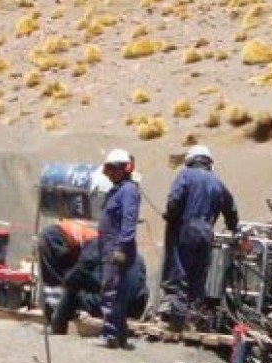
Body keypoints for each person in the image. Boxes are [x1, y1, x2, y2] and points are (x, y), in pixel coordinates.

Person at [160, 144, 238, 332]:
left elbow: (174, 201)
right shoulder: (217, 183)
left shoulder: (184, 175)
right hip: (206, 233)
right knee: (198, 275)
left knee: (180, 272)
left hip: (186, 229)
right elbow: (232, 210)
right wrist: (233, 227)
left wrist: (170, 216)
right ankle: (194, 318)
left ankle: (177, 320)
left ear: (190, 160)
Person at [97, 148, 143, 349]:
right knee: (116, 290)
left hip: (117, 248)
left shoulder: (128, 191)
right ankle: (118, 334)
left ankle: (110, 334)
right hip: (111, 247)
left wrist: (122, 248)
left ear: (124, 169)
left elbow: (129, 221)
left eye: (114, 170)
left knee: (112, 290)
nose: (110, 174)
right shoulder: (118, 190)